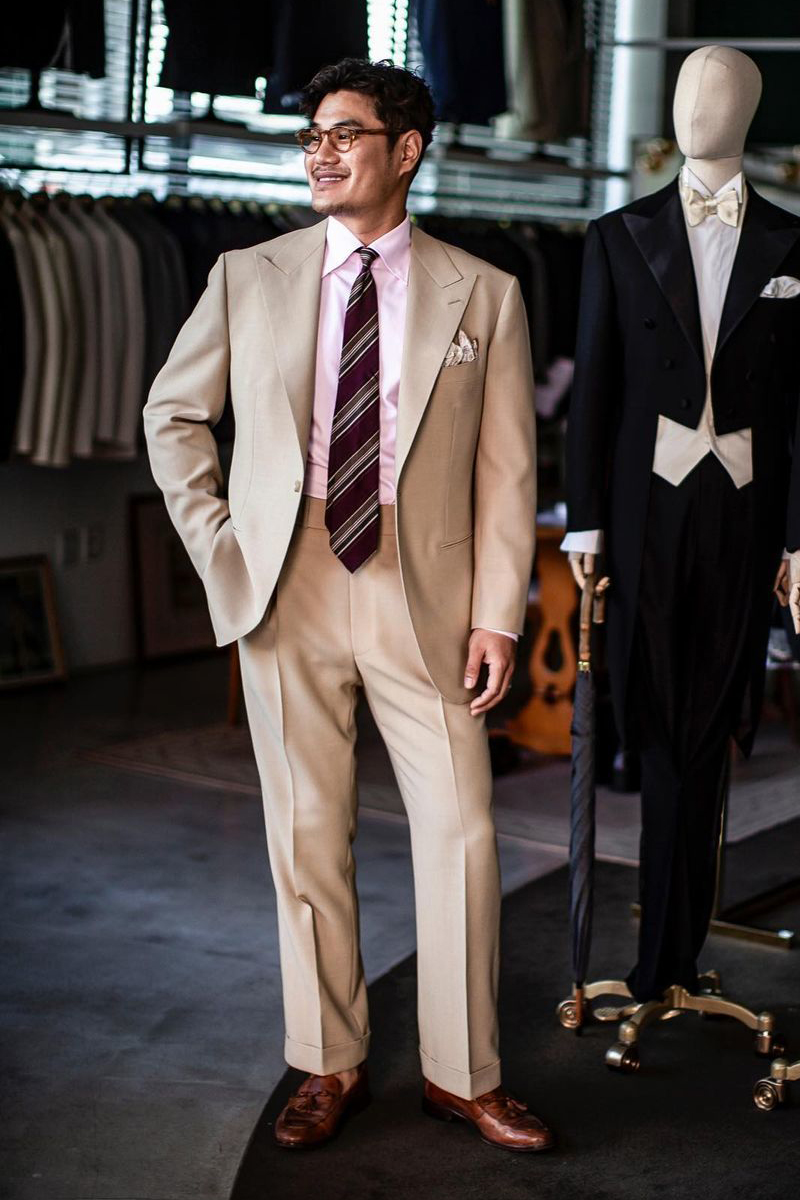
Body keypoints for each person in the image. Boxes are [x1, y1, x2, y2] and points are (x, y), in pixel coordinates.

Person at [144, 58, 550, 1153]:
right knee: (306, 834)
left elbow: (507, 473)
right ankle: (328, 1063)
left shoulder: (486, 290)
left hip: (426, 590)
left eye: (344, 133)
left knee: (464, 831)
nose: (319, 152)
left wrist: (497, 615)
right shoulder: (247, 272)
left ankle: (465, 1075)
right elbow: (171, 415)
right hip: (287, 578)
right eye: (309, 136)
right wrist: (221, 548)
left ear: (405, 149)